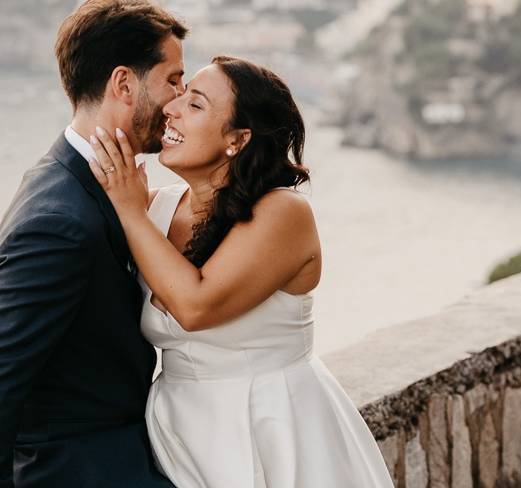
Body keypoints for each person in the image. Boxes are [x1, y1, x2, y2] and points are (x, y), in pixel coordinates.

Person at [87, 56, 395, 487]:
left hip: (275, 428)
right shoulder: (153, 209)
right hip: (180, 435)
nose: (171, 108)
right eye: (179, 95)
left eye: (195, 105)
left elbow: (195, 307)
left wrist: (127, 210)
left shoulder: (284, 213)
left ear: (237, 138)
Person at [0, 1, 187, 486]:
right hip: (82, 470)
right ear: (124, 84)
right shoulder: (58, 219)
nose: (179, 100)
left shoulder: (87, 180)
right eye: (173, 80)